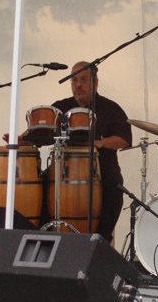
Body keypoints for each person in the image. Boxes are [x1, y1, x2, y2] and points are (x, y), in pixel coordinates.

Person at [52, 61, 132, 243]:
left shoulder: (111, 109)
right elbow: (42, 132)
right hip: (65, 172)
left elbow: (124, 139)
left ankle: (101, 239)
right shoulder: (60, 108)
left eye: (83, 80)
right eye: (74, 81)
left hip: (103, 169)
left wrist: (101, 143)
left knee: (115, 184)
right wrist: (21, 139)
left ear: (96, 83)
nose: (78, 85)